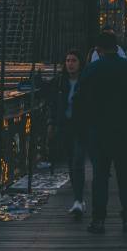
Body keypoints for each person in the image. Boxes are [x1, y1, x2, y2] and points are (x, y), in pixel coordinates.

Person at [78, 31, 127, 234]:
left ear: (98, 49)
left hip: (99, 132)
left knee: (100, 177)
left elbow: (81, 101)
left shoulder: (92, 69)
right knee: (125, 176)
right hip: (125, 132)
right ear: (117, 47)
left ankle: (98, 220)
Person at [47, 49, 88, 217]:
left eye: (74, 60)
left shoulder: (85, 82)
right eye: (68, 61)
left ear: (80, 63)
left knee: (78, 160)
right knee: (72, 161)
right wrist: (52, 123)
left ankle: (78, 200)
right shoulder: (59, 83)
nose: (70, 64)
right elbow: (53, 105)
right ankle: (78, 198)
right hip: (66, 126)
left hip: (81, 126)